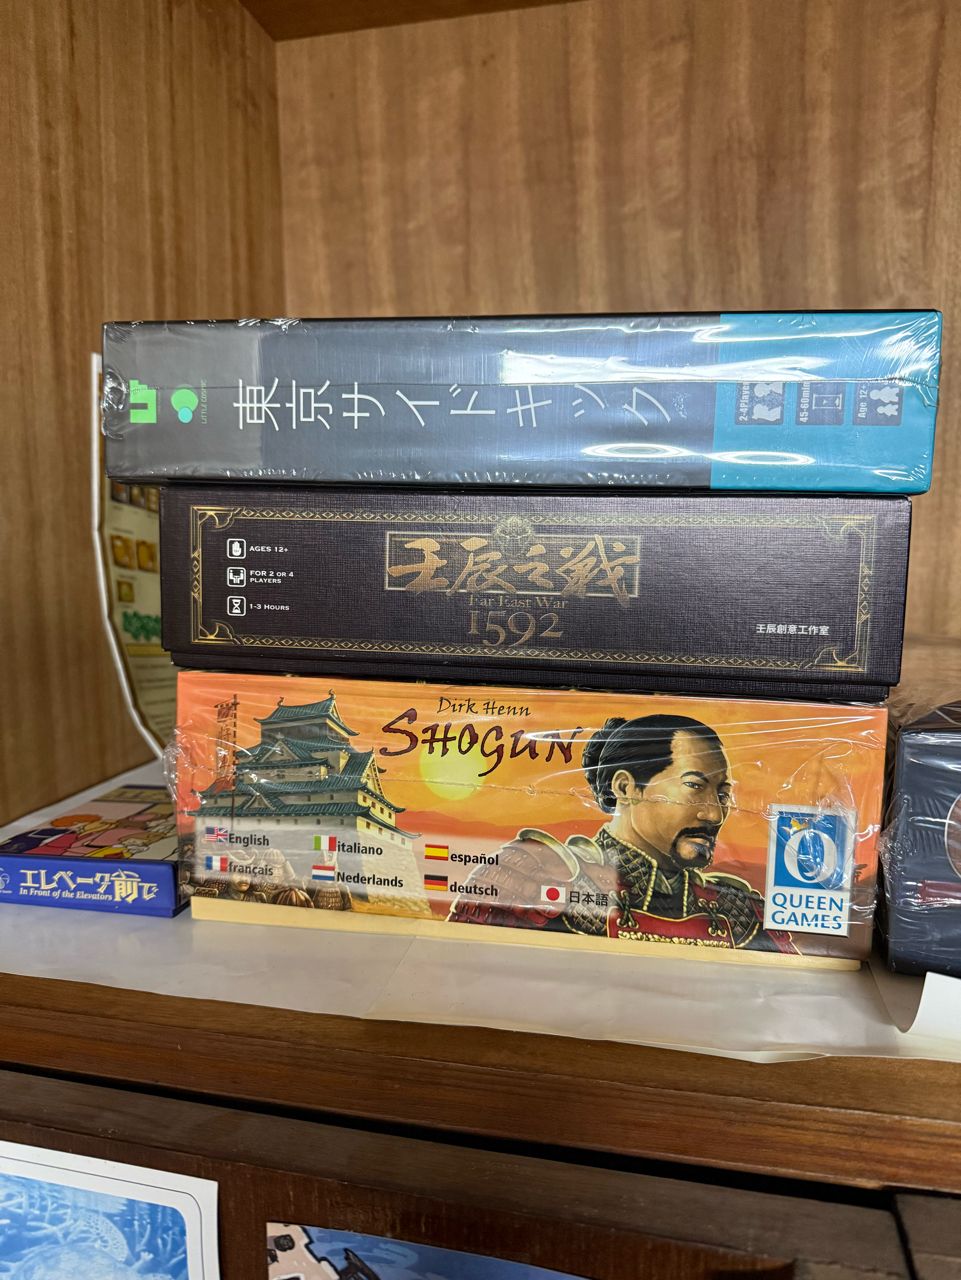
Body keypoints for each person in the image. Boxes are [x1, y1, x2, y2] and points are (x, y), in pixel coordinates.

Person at [449, 714, 794, 953]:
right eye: (694, 786)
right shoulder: (532, 871)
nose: (714, 814)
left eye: (723, 794)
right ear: (626, 787)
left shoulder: (738, 909)